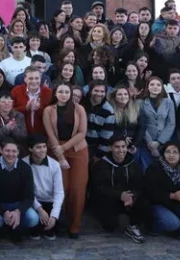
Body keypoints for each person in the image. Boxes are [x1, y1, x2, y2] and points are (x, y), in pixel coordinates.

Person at [43, 83, 89, 238]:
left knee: (77, 189)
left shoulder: (79, 109)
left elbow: (82, 132)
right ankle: (59, 223)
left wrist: (65, 148)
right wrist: (61, 155)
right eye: (60, 91)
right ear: (55, 94)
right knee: (62, 188)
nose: (63, 94)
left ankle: (74, 226)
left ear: (71, 94)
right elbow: (50, 134)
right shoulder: (49, 110)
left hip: (78, 149)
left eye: (66, 92)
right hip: (56, 148)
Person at [90, 134, 146, 243]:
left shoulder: (132, 163)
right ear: (110, 148)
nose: (121, 150)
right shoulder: (101, 165)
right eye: (117, 147)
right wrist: (119, 195)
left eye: (123, 146)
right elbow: (97, 188)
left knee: (144, 202)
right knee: (111, 226)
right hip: (109, 200)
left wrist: (131, 197)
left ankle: (133, 225)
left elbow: (139, 185)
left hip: (128, 199)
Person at [143, 141, 180, 238]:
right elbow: (149, 191)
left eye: (175, 152)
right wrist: (172, 195)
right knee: (172, 223)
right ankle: (152, 227)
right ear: (163, 154)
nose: (171, 155)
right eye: (168, 152)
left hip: (175, 204)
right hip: (157, 204)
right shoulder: (154, 168)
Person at [0, 138, 38, 244]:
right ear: (1, 150)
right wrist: (4, 212)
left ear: (18, 152)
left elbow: (29, 196)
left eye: (14, 151)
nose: (10, 154)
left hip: (18, 205)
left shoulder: (25, 168)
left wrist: (18, 211)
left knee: (33, 218)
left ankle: (15, 227)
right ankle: (8, 228)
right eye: (7, 150)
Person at [23, 133, 64, 240]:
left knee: (61, 225)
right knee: (34, 227)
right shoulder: (23, 163)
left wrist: (54, 215)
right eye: (38, 147)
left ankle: (47, 226)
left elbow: (59, 192)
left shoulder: (55, 165)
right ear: (30, 149)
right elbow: (26, 191)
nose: (42, 150)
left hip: (49, 201)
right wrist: (39, 209)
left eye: (44, 146)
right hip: (32, 201)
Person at [137, 77, 176, 171]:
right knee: (146, 169)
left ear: (162, 87)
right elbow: (141, 124)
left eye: (158, 85)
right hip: (146, 142)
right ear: (148, 87)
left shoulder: (168, 102)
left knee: (163, 170)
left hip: (164, 142)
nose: (155, 87)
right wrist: (150, 144)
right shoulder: (140, 103)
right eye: (152, 84)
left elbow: (171, 123)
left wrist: (159, 142)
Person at [0, 91, 27, 162]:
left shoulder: (19, 116)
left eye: (9, 101)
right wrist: (6, 129)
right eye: (3, 102)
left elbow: (23, 136)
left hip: (15, 150)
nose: (7, 104)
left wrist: (14, 128)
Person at [11, 68, 51, 135]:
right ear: (25, 79)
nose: (34, 81)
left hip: (42, 133)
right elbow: (9, 112)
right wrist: (26, 108)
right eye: (30, 78)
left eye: (36, 78)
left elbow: (51, 115)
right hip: (21, 133)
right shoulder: (16, 91)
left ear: (40, 79)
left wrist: (39, 109)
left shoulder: (48, 92)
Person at [84, 81, 115, 159]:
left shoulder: (108, 110)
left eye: (102, 91)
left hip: (94, 147)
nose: (99, 94)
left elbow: (106, 137)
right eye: (96, 91)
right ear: (90, 91)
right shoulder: (83, 103)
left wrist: (98, 156)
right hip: (78, 143)